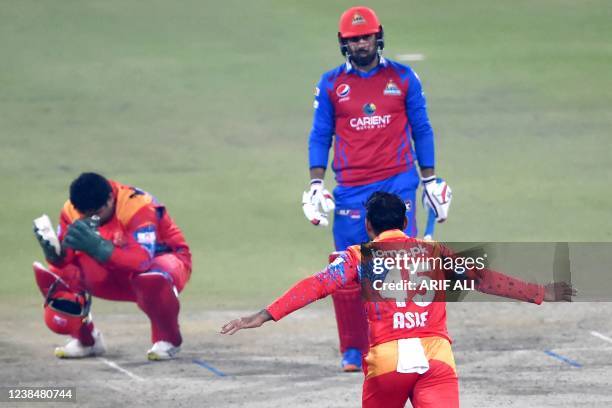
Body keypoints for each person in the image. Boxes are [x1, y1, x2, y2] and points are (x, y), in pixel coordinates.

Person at [222, 192, 575, 408]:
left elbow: (317, 285)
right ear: (406, 222)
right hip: (437, 358)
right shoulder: (436, 252)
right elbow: (484, 279)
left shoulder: (360, 256)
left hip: (387, 361)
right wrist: (542, 292)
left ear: (369, 227)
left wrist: (265, 314)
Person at [301, 6, 452, 371]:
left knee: (399, 269)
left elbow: (422, 128)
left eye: (366, 36)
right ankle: (354, 349)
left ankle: (402, 342)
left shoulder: (403, 77)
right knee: (346, 272)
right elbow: (321, 134)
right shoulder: (331, 84)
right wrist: (316, 183)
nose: (361, 44)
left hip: (398, 182)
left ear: (378, 36)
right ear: (343, 43)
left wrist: (430, 179)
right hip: (351, 188)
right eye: (353, 39)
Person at [33, 172, 192, 360]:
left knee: (150, 278)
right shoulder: (71, 210)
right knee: (58, 276)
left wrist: (98, 247)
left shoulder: (136, 205)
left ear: (110, 199)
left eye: (97, 213)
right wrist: (54, 255)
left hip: (165, 261)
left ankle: (168, 339)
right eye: (86, 214)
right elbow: (66, 259)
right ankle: (86, 340)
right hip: (115, 269)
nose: (92, 219)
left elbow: (142, 261)